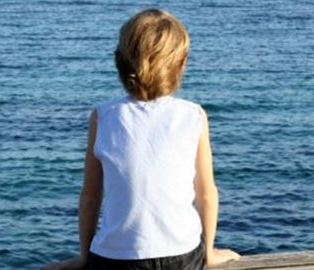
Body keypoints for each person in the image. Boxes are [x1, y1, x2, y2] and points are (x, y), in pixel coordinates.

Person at [42, 8, 241, 270]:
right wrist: (210, 254)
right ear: (182, 64)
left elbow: (91, 197)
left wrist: (83, 256)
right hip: (182, 255)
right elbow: (206, 193)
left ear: (120, 62)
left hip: (115, 259)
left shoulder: (104, 116)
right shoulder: (192, 116)